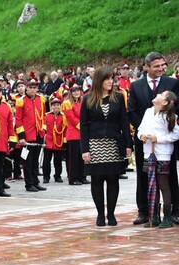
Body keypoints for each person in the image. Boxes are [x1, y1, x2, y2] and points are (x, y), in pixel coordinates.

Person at [128, 52, 179, 225]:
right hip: (144, 141)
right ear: (146, 67)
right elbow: (132, 111)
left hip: (165, 143)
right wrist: (143, 133)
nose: (161, 68)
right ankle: (145, 211)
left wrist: (163, 130)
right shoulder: (136, 86)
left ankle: (172, 212)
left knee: (168, 177)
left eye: (163, 65)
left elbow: (176, 111)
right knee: (144, 177)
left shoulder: (172, 83)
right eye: (156, 66)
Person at [80, 66, 133, 227]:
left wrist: (128, 144)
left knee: (112, 178)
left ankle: (111, 213)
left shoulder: (118, 97)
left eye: (112, 78)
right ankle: (100, 214)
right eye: (108, 79)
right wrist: (85, 149)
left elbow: (124, 121)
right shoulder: (88, 99)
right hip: (95, 144)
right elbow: (83, 126)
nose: (111, 82)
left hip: (113, 143)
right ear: (99, 81)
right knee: (96, 179)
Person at [137, 91, 179, 228]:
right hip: (148, 152)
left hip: (162, 154)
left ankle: (167, 217)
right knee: (151, 184)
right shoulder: (148, 112)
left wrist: (158, 139)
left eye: (162, 94)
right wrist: (142, 135)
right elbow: (140, 128)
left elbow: (175, 135)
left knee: (163, 184)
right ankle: (153, 216)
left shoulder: (168, 116)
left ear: (165, 102)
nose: (158, 94)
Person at [15, 78, 47, 192]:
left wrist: (43, 131)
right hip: (27, 135)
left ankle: (35, 181)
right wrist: (22, 136)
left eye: (35, 88)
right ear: (27, 88)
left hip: (38, 133)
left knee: (35, 160)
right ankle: (29, 184)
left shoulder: (41, 99)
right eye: (30, 88)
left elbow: (43, 116)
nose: (33, 90)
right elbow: (18, 120)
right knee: (27, 161)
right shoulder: (21, 101)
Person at [63, 84, 88, 185]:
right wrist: (82, 126)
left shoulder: (82, 102)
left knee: (82, 157)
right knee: (73, 158)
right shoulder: (67, 103)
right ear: (70, 92)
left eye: (78, 90)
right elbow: (71, 118)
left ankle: (82, 176)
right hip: (73, 133)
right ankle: (73, 178)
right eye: (74, 91)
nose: (76, 92)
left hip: (82, 133)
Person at [42, 96, 67, 184]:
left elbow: (65, 129)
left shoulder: (64, 117)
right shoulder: (47, 116)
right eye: (54, 105)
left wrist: (64, 141)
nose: (56, 107)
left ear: (60, 106)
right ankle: (46, 177)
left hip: (58, 142)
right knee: (46, 161)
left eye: (58, 105)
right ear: (51, 106)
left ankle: (57, 176)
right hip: (48, 141)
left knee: (58, 161)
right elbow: (44, 127)